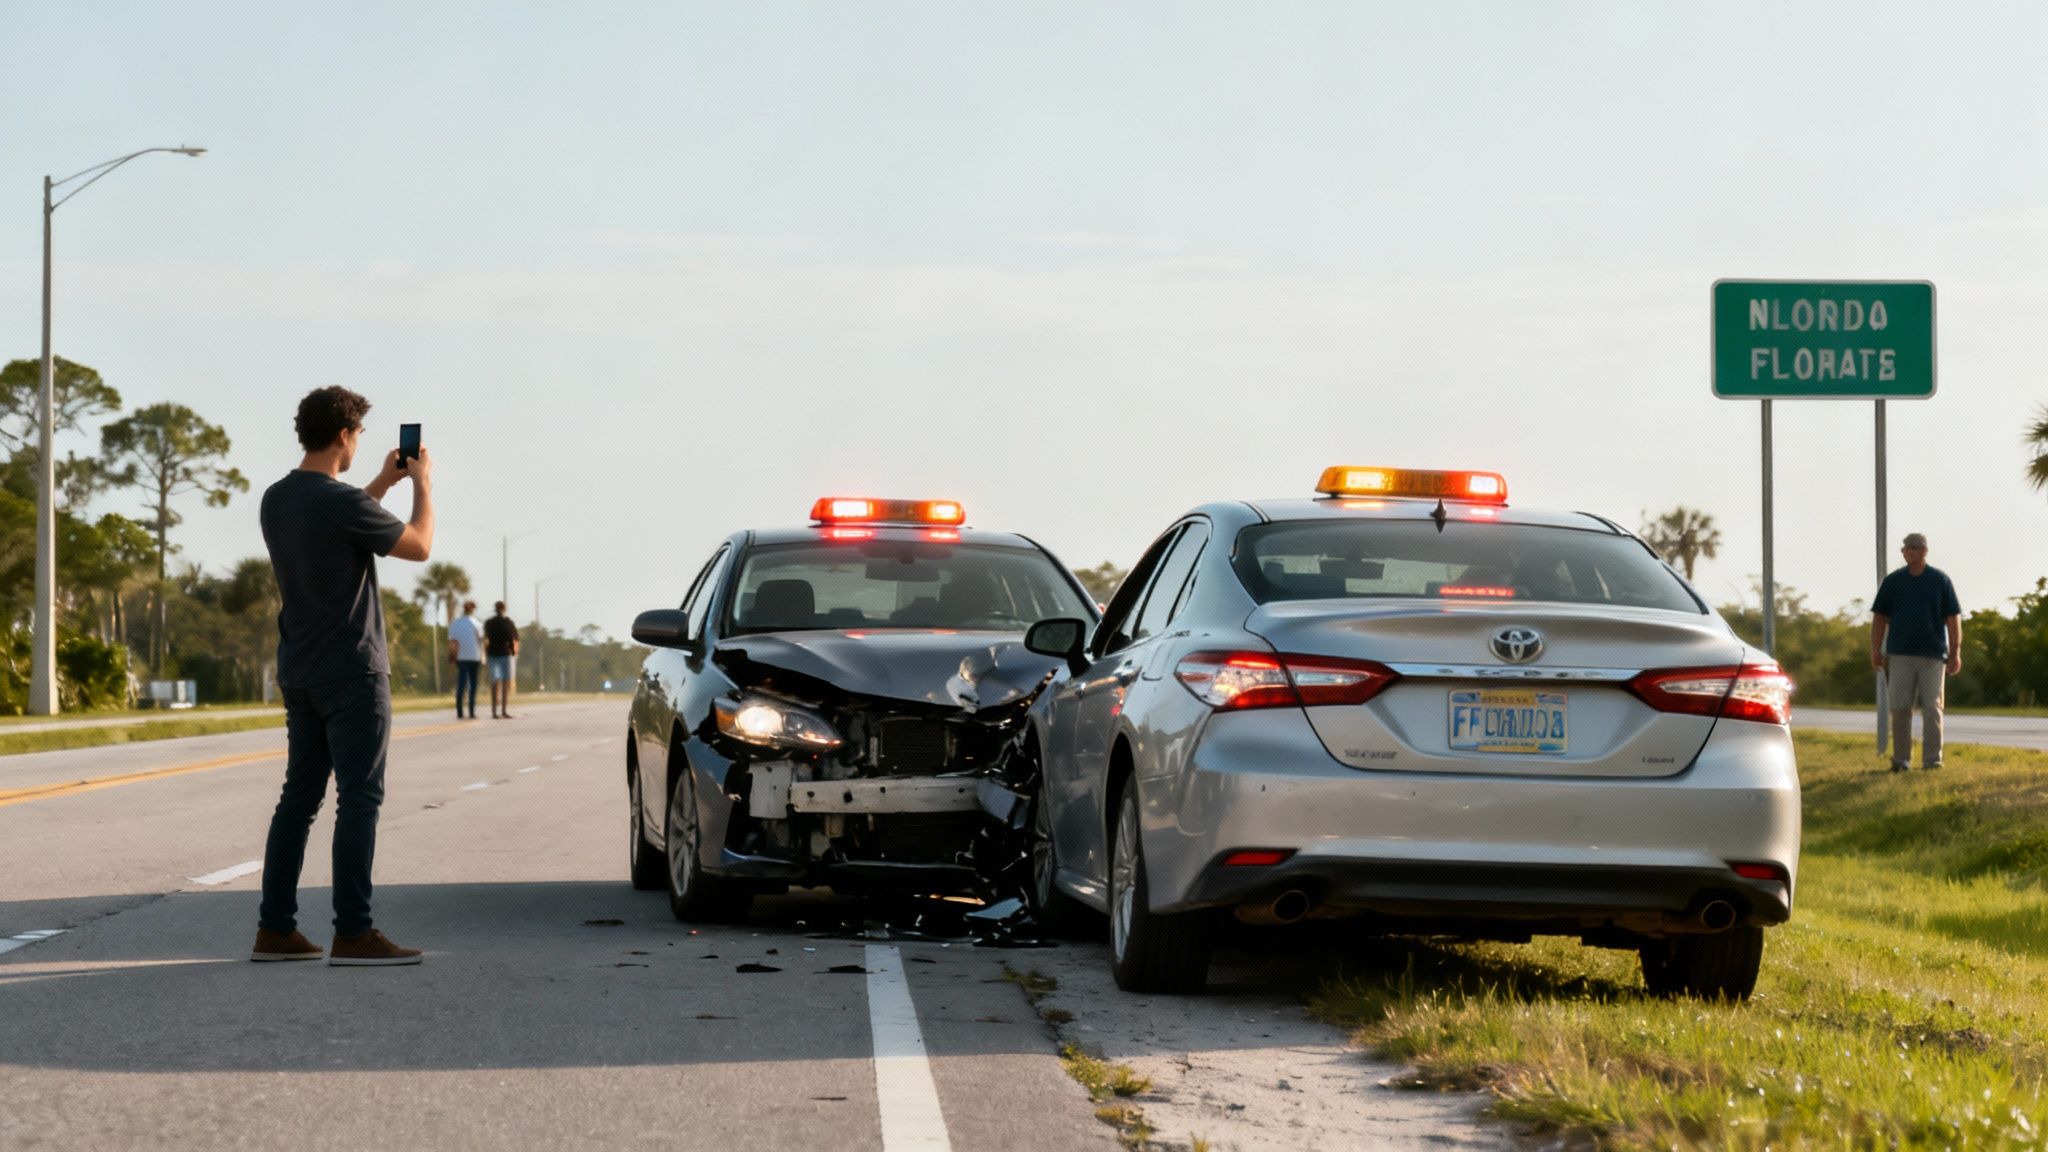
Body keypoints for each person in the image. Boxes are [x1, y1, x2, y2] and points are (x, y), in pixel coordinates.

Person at [251, 386, 433, 967]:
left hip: (300, 671)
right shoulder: (340, 503)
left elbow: (339, 521)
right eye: (358, 436)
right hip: (352, 671)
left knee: (298, 802)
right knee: (359, 799)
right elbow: (419, 546)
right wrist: (423, 485)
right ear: (344, 435)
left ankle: (275, 929)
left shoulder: (277, 499)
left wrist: (380, 484)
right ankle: (353, 932)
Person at [1871, 532, 1962, 773]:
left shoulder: (1940, 581)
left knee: (1932, 707)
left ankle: (1932, 760)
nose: (1909, 552)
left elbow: (1952, 618)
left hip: (1932, 655)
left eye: (1914, 548)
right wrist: (1875, 649)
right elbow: (1879, 617)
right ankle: (1901, 760)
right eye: (1906, 548)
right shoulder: (1893, 582)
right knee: (1900, 707)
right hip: (1900, 654)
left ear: (1924, 551)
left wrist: (1955, 652)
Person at [447, 600, 484, 719]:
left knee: (461, 683)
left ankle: (459, 711)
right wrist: (483, 656)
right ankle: (472, 711)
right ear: (473, 610)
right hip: (474, 657)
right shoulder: (477, 624)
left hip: (461, 657)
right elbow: (481, 641)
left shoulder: (455, 623)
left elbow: (452, 642)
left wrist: (452, 656)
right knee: (473, 684)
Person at [485, 601, 520, 718]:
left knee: (495, 683)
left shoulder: (489, 623)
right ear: (504, 609)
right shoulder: (508, 622)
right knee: (505, 684)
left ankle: (495, 711)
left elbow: (486, 639)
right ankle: (503, 710)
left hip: (493, 654)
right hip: (505, 654)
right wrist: (514, 652)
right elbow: (514, 639)